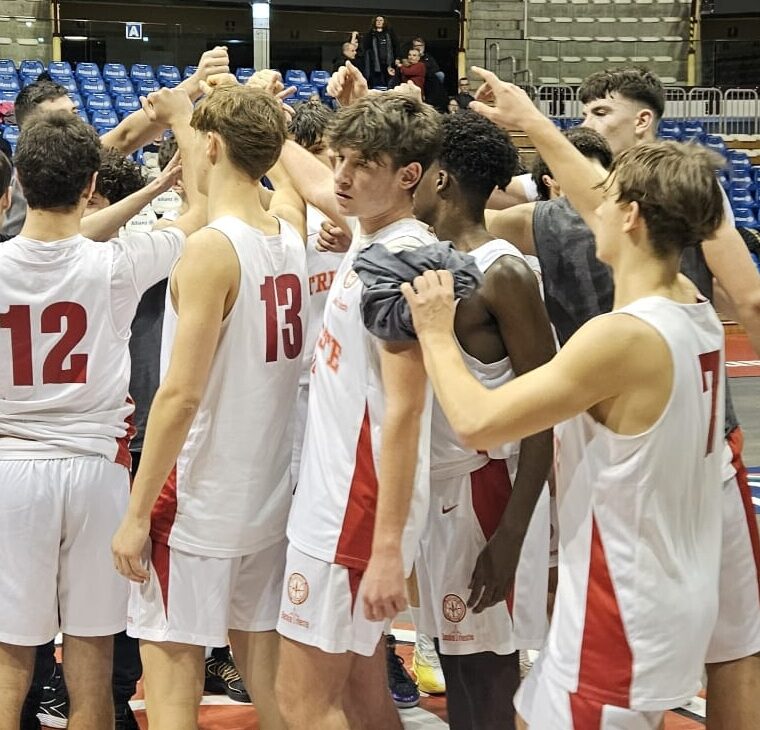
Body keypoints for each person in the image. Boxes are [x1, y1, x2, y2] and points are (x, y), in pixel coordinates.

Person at [406, 68, 728, 730]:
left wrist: (435, 332)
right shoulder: (696, 308)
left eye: (606, 201)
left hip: (621, 601)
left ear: (630, 217)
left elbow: (477, 421)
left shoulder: (620, 338)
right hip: (671, 584)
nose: (589, 209)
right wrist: (528, 118)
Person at [489, 66, 760, 730]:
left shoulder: (678, 204)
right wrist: (531, 123)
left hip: (675, 436)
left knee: (708, 635)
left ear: (643, 121)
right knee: (688, 629)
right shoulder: (615, 215)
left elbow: (751, 298)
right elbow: (579, 197)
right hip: (637, 432)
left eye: (601, 111)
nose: (588, 122)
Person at [0, 104, 202, 730]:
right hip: (97, 473)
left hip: (12, 469)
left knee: (9, 664)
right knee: (92, 665)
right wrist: (182, 134)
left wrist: (153, 187)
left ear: (18, 183)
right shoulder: (118, 262)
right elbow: (202, 215)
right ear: (91, 186)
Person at [111, 82, 306, 729]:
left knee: (171, 691)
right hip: (267, 498)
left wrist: (136, 512)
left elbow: (180, 395)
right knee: (273, 689)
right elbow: (274, 183)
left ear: (213, 146)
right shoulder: (290, 230)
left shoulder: (210, 249)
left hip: (197, 500)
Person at [271, 82, 442, 730]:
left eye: (361, 165)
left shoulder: (399, 263)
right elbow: (316, 180)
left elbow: (405, 412)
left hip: (354, 509)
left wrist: (389, 547)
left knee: (304, 701)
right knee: (364, 696)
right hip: (346, 500)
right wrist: (269, 120)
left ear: (408, 176)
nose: (340, 176)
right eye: (339, 158)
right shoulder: (374, 234)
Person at [411, 111, 556, 729]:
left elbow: (546, 412)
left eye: (420, 169)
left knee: (489, 673)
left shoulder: (504, 272)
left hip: (488, 490)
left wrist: (512, 535)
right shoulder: (423, 260)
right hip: (441, 486)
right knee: (456, 666)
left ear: (441, 179)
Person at [0, 48, 229, 239]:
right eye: (61, 118)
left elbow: (126, 136)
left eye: (74, 113)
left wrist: (195, 83)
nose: (74, 123)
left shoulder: (74, 160)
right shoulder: (27, 177)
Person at [363, 15, 399, 88]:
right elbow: (366, 46)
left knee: (389, 83)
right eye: (377, 20)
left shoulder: (389, 33)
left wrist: (398, 58)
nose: (379, 22)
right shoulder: (371, 34)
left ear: (384, 22)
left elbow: (396, 45)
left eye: (381, 20)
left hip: (389, 63)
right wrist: (371, 32)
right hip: (375, 64)